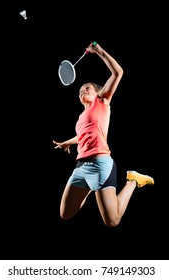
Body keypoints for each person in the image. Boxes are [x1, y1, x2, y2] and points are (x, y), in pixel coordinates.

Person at [53, 42, 154, 227]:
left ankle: (132, 180)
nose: (82, 89)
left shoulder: (102, 101)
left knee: (112, 221)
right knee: (65, 214)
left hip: (100, 164)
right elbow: (83, 136)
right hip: (81, 166)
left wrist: (99, 51)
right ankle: (91, 187)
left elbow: (118, 72)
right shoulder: (81, 116)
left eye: (87, 88)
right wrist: (68, 142)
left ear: (97, 93)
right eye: (80, 89)